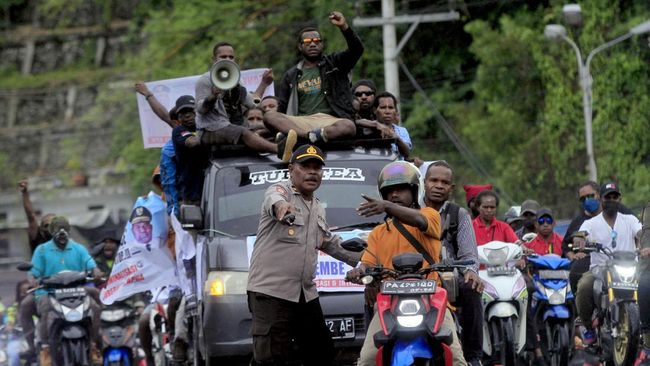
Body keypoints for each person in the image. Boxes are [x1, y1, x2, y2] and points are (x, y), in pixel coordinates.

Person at [246, 144, 360, 365]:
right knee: (272, 357)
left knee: (322, 353)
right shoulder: (282, 190)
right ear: (291, 169)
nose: (312, 172)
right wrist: (282, 208)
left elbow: (327, 242)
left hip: (304, 294)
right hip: (271, 293)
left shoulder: (317, 206)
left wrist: (371, 256)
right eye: (305, 166)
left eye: (317, 167)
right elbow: (275, 199)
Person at [346, 161, 467, 366]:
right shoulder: (378, 233)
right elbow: (366, 263)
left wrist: (386, 207)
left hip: (432, 300)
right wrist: (358, 272)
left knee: (455, 358)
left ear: (414, 191)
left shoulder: (430, 215)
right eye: (390, 191)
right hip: (388, 303)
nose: (395, 195)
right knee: (366, 360)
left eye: (401, 189)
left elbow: (420, 221)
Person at [263, 11, 361, 144]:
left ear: (322, 45)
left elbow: (357, 49)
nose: (313, 44)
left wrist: (344, 27)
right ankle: (307, 136)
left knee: (348, 126)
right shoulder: (291, 75)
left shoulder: (336, 63)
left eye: (316, 41)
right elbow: (282, 109)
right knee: (270, 115)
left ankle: (297, 137)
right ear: (300, 46)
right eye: (308, 41)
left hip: (331, 121)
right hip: (302, 122)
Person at [422, 160, 483, 365]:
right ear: (424, 182)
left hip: (450, 278)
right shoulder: (411, 210)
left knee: (472, 287)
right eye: (434, 180)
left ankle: (474, 356)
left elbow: (469, 256)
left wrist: (471, 271)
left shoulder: (459, 214)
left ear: (451, 188)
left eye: (444, 182)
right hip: (415, 278)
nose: (439, 185)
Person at [19, 216, 102, 365]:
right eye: (58, 231)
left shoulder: (78, 248)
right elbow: (34, 271)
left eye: (64, 231)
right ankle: (44, 348)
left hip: (77, 291)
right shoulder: (42, 250)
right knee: (37, 307)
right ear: (52, 233)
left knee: (95, 307)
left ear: (69, 231)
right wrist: (33, 279)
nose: (62, 235)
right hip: (48, 292)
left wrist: (95, 270)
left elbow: (90, 262)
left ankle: (93, 344)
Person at [195, 42, 295, 161]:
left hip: (231, 127)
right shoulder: (205, 80)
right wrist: (213, 96)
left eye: (231, 57)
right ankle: (279, 150)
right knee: (243, 132)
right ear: (214, 59)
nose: (228, 59)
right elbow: (201, 109)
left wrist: (264, 83)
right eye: (223, 57)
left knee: (261, 128)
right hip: (210, 130)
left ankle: (289, 142)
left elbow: (252, 103)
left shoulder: (237, 80)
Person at [573, 182, 641, 347]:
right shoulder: (591, 223)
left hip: (630, 268)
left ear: (619, 198)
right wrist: (580, 240)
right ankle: (588, 327)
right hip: (600, 270)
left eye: (614, 196)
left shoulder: (630, 220)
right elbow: (580, 235)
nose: (611, 200)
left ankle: (645, 329)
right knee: (583, 286)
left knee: (646, 285)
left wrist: (645, 245)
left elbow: (642, 232)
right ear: (601, 199)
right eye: (607, 197)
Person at [562, 180, 635, 292]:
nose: (587, 200)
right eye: (583, 198)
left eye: (590, 196)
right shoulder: (582, 221)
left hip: (624, 261)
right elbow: (573, 239)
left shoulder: (624, 214)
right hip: (594, 262)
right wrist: (577, 248)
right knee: (580, 281)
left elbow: (640, 230)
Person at [356, 92, 412, 159]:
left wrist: (396, 139)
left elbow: (406, 154)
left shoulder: (402, 131)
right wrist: (375, 125)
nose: (387, 111)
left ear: (396, 111)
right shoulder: (367, 128)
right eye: (383, 107)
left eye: (391, 107)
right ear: (374, 110)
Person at [18, 180, 55, 254]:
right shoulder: (38, 238)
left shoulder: (64, 240)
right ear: (41, 228)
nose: (50, 228)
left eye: (53, 224)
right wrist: (25, 193)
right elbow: (31, 216)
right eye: (47, 225)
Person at [636, 201, 650, 365]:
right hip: (646, 270)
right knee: (645, 286)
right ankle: (647, 341)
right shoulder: (647, 208)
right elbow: (643, 236)